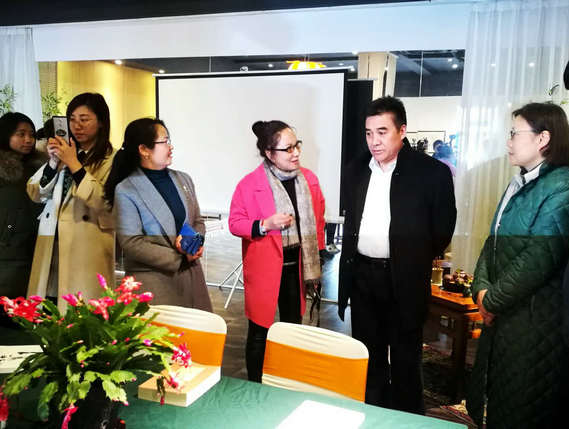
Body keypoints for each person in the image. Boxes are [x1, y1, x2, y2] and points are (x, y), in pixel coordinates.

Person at [338, 96, 456, 413]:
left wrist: (412, 258)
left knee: (405, 361)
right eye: (368, 133)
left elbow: (443, 228)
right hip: (363, 277)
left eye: (382, 132)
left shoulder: (431, 172)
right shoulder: (356, 169)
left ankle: (407, 419)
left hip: (404, 279)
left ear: (402, 131)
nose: (374, 141)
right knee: (368, 358)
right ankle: (372, 416)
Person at [466, 102, 569, 428]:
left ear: (543, 139)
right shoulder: (521, 182)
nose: (508, 141)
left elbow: (538, 260)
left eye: (514, 133)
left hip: (533, 321)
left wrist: (491, 300)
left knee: (521, 407)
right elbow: (492, 244)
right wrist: (480, 290)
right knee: (498, 398)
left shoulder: (562, 186)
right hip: (505, 316)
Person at [228, 120, 325, 382]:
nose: (296, 153)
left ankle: (288, 381)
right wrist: (264, 225)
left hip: (298, 268)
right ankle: (255, 386)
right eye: (288, 148)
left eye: (297, 145)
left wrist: (318, 258)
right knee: (259, 330)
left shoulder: (309, 180)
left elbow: (318, 222)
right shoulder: (249, 184)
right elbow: (235, 223)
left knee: (293, 329)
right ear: (269, 154)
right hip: (264, 269)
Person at [104, 118, 212, 311]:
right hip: (154, 283)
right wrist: (179, 258)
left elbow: (197, 221)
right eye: (164, 141)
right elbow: (132, 243)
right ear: (144, 149)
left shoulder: (183, 179)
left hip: (192, 278)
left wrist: (195, 242)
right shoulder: (127, 189)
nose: (170, 146)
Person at [26, 93, 116, 309]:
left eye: (84, 119)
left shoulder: (112, 159)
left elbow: (105, 203)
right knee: (48, 308)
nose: (77, 126)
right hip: (52, 244)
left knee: (81, 312)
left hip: (85, 248)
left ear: (101, 122)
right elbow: (34, 193)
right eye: (72, 119)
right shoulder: (65, 153)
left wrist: (74, 164)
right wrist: (53, 162)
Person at [0, 112, 45, 325]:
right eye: (21, 134)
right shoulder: (3, 169)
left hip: (33, 245)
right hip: (6, 246)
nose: (28, 140)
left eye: (32, 134)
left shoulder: (40, 168)